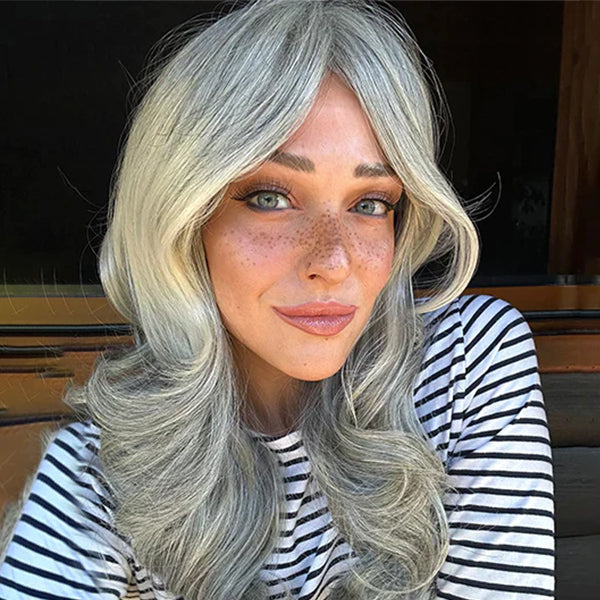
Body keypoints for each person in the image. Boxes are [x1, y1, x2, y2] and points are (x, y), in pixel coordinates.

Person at [0, 0, 554, 598]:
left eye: (371, 203)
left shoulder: (467, 365)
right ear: (183, 220)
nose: (334, 262)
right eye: (270, 197)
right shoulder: (105, 471)